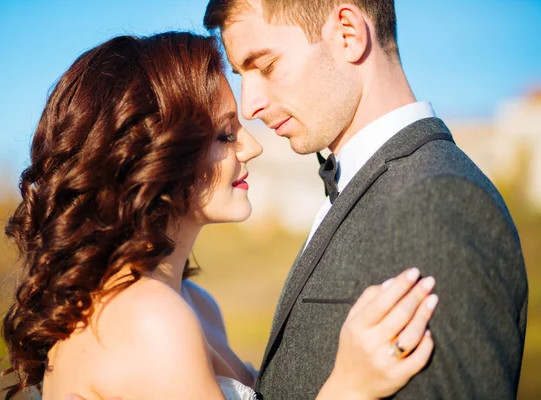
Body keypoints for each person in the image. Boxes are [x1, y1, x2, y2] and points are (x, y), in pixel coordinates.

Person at [0, 33, 438, 400]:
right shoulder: (147, 318)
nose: (254, 147)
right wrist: (350, 387)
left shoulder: (194, 303)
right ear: (155, 155)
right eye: (226, 135)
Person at [202, 0, 528, 398]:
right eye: (241, 75)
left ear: (348, 34)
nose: (249, 105)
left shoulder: (437, 202)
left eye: (266, 66)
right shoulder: (363, 185)